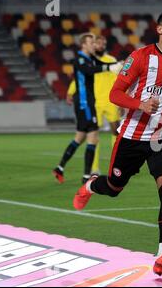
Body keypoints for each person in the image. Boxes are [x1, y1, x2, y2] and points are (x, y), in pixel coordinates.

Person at [72, 10, 162, 276]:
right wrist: (140, 104)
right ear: (160, 29)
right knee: (114, 187)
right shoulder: (140, 57)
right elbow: (115, 93)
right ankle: (91, 185)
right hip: (131, 136)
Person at [52, 33, 122, 184]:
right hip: (86, 104)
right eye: (92, 42)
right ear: (84, 44)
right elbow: (90, 71)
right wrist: (110, 68)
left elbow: (99, 65)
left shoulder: (91, 59)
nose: (94, 45)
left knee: (80, 138)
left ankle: (60, 168)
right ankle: (87, 176)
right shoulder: (80, 59)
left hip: (94, 102)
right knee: (93, 137)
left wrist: (115, 66)